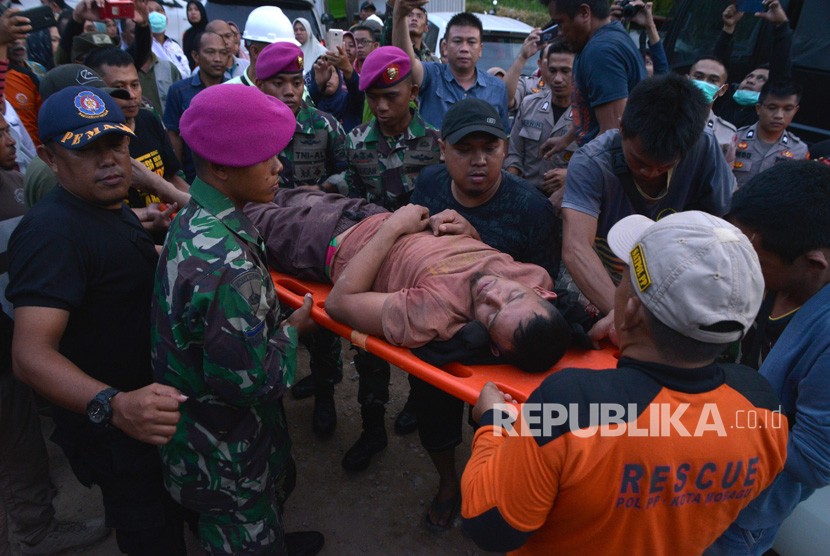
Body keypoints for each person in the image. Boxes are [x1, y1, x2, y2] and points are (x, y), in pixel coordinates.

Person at [461, 210, 789, 554]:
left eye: (623, 278)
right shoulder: (762, 406)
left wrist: (493, 423)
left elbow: (489, 527)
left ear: (630, 311)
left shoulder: (568, 407)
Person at [7, 85, 193, 555]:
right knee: (151, 534)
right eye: (86, 149)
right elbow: (30, 356)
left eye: (116, 143)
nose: (109, 160)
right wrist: (115, 405)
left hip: (153, 416)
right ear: (50, 158)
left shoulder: (105, 206)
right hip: (119, 435)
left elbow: (110, 268)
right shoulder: (51, 233)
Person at [152, 83, 323, 556]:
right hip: (227, 460)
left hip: (208, 439)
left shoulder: (199, 220)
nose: (279, 167)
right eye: (265, 156)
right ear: (222, 166)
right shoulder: (229, 263)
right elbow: (249, 382)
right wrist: (292, 331)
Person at [409, 97, 560, 531]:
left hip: (500, 351)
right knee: (434, 418)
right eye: (465, 149)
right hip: (437, 337)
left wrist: (479, 244)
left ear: (505, 149)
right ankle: (447, 483)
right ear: (442, 149)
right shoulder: (430, 185)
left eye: (490, 148)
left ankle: (490, 486)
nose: (479, 160)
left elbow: (541, 288)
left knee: (498, 429)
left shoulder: (532, 208)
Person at [246, 189, 571, 374]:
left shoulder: (434, 314)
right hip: (365, 211)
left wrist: (394, 228)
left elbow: (339, 304)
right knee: (268, 189)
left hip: (322, 239)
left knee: (233, 210)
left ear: (494, 347)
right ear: (541, 292)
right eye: (512, 297)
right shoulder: (534, 275)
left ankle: (192, 197)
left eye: (491, 313)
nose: (492, 294)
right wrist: (469, 232)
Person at [0, 108, 110, 556]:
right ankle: (33, 531)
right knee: (17, 447)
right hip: (8, 350)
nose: (9, 137)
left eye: (5, 126)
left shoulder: (11, 182)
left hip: (13, 336)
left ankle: (35, 516)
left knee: (23, 442)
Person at [707, 161, 830, 555]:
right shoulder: (772, 276)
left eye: (756, 261)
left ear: (813, 264)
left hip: (741, 516)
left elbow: (814, 458)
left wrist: (711, 419)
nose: (739, 267)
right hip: (702, 482)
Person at [334, 46, 442, 471]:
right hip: (371, 262)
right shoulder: (357, 141)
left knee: (419, 339)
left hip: (418, 265)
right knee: (367, 350)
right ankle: (372, 428)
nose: (380, 105)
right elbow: (351, 189)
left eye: (391, 96)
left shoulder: (435, 144)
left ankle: (416, 398)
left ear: (413, 92)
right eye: (373, 96)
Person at [560, 73, 735, 317]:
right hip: (609, 274)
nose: (651, 173)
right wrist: (624, 318)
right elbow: (576, 248)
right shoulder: (591, 162)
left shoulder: (704, 148)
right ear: (621, 127)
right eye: (639, 161)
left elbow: (724, 226)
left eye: (664, 166)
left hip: (677, 273)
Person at [85, 47, 190, 237]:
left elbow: (172, 176)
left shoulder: (149, 120)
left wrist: (196, 206)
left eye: (135, 85)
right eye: (120, 88)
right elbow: (93, 217)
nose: (132, 95)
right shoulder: (92, 141)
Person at [539, 0, 646, 155]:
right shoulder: (602, 39)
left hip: (605, 172)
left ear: (584, 13)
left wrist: (574, 172)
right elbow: (590, 111)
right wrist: (566, 139)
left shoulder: (601, 51)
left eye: (561, 23)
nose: (560, 33)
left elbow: (612, 135)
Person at [392, 2, 509, 131]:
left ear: (480, 49)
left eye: (471, 42)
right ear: (444, 47)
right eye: (457, 41)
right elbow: (406, 64)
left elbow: (502, 140)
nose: (464, 48)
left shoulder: (497, 88)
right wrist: (400, 16)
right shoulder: (432, 76)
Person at [505, 40, 577, 203]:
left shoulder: (589, 115)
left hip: (568, 202)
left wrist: (571, 176)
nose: (558, 79)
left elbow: (599, 164)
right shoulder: (529, 104)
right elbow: (514, 155)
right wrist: (511, 191)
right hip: (527, 199)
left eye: (566, 71)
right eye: (552, 70)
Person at [713, 1, 791, 129]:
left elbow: (781, 68)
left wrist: (781, 26)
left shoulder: (767, 114)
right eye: (749, 77)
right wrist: (728, 28)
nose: (751, 81)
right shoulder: (723, 102)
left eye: (761, 79)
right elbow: (717, 67)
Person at [164, 30, 227, 182]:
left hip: (229, 177)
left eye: (223, 53)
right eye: (210, 52)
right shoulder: (179, 91)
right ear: (195, 56)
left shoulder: (235, 88)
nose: (217, 59)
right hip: (193, 179)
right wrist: (178, 176)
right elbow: (174, 136)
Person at [733, 80, 809, 189]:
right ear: (758, 108)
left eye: (788, 109)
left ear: (795, 111)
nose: (779, 115)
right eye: (772, 108)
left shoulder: (799, 150)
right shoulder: (735, 138)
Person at [226, 6, 295, 87]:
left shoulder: (297, 90)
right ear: (255, 51)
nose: (287, 58)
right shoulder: (226, 93)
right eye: (280, 52)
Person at [687, 55, 739, 165]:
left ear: (723, 90)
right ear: (687, 80)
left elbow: (724, 178)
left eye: (712, 80)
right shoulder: (662, 118)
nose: (704, 83)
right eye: (699, 77)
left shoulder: (727, 133)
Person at [147, 1, 190, 79]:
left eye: (159, 10)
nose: (155, 14)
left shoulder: (174, 45)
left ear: (166, 18)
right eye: (149, 11)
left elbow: (186, 72)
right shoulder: (144, 48)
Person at [181, 0, 206, 71]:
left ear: (202, 12)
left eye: (196, 9)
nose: (193, 12)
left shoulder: (209, 31)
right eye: (189, 10)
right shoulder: (186, 33)